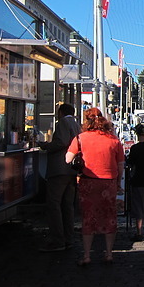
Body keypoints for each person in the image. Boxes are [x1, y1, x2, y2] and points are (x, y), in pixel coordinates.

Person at [66, 108, 125, 266]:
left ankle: (86, 255)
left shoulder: (80, 138)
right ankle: (109, 253)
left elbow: (68, 159)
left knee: (88, 218)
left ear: (86, 121)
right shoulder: (114, 140)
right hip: (108, 182)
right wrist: (118, 182)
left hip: (88, 181)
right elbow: (120, 165)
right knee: (109, 216)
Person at [39, 103, 82, 252]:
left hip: (59, 169)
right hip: (70, 171)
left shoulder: (64, 122)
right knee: (67, 205)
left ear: (61, 112)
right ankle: (68, 238)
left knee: (54, 204)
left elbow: (61, 142)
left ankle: (58, 240)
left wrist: (46, 146)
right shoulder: (76, 124)